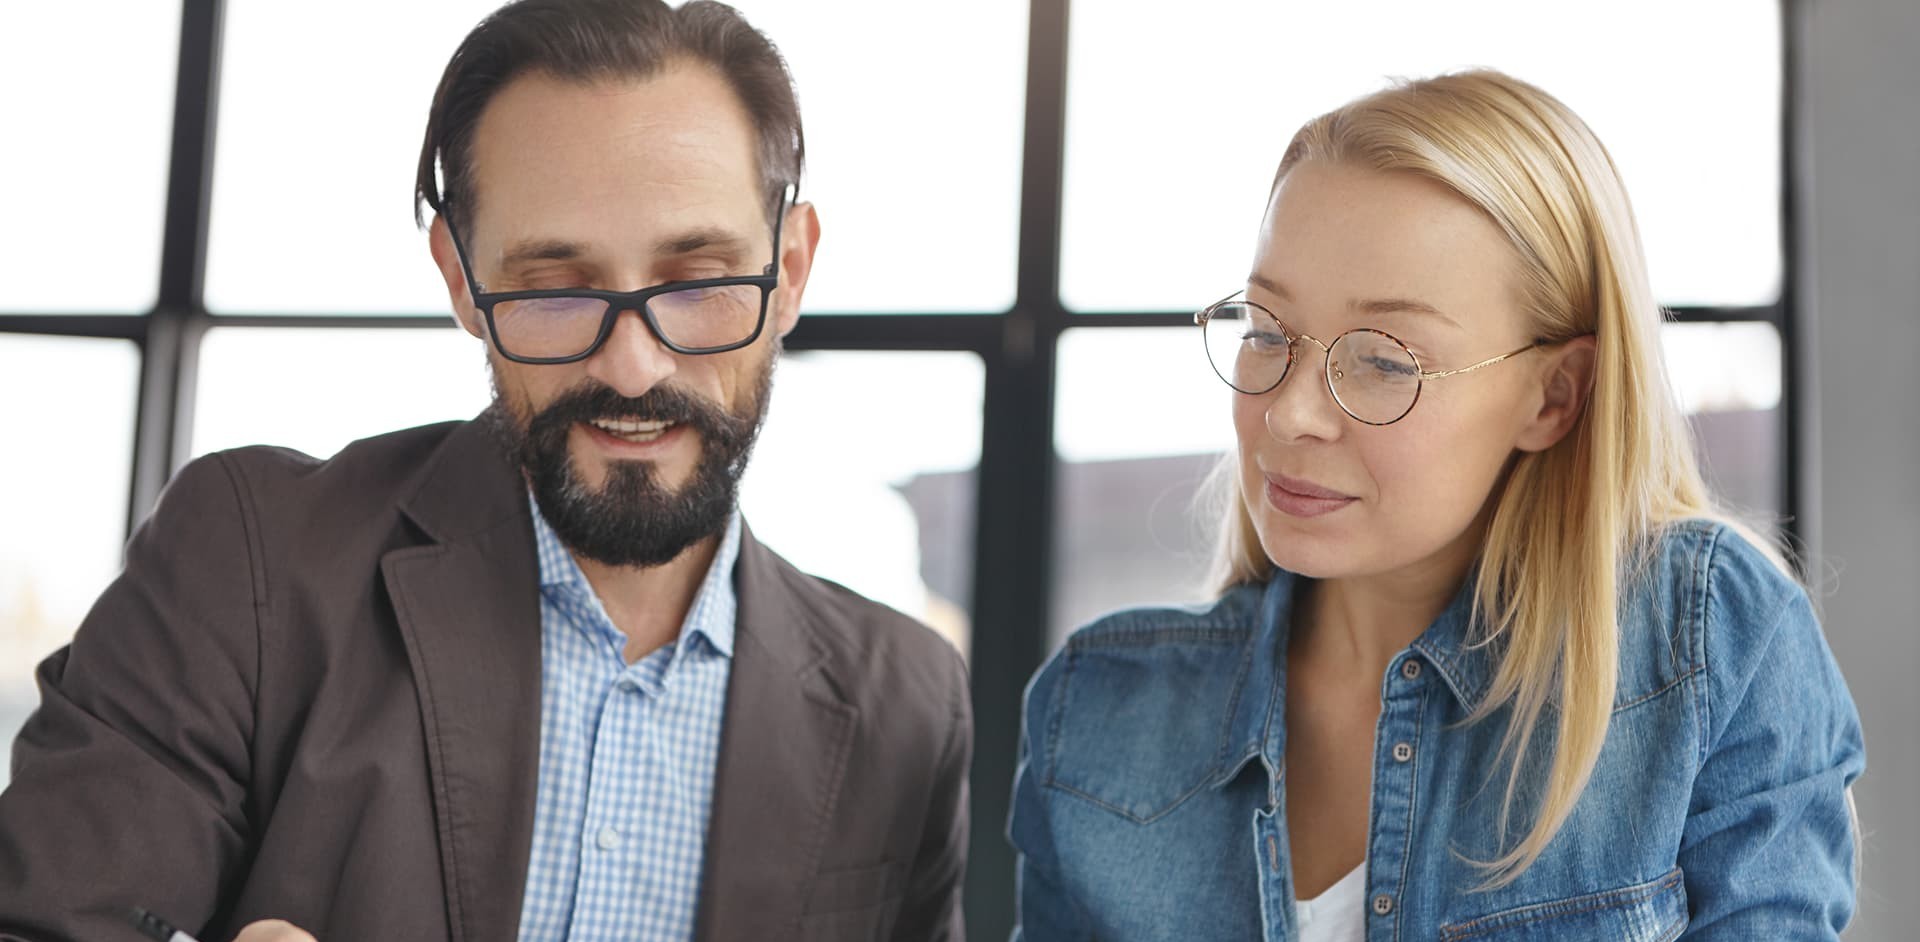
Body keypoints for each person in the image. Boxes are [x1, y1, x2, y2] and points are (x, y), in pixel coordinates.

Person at [0, 2, 970, 940]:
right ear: (461, 278)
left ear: (790, 269)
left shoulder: (909, 706)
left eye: (698, 281)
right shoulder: (246, 565)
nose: (633, 367)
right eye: (553, 290)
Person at [1008, 70, 1863, 941]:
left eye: (1384, 361)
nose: (1290, 413)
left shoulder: (1708, 645)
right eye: (1267, 332)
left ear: (1554, 397)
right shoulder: (1097, 714)